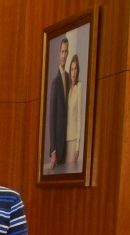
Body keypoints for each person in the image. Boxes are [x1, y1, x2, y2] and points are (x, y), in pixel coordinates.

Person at [47, 38, 70, 170]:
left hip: (68, 141)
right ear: (59, 54)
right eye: (62, 51)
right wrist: (53, 150)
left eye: (66, 51)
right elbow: (52, 118)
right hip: (58, 146)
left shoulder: (69, 77)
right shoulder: (55, 82)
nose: (64, 55)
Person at [66, 56, 84, 167]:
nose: (73, 72)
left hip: (73, 139)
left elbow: (79, 118)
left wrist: (77, 146)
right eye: (72, 69)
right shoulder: (67, 89)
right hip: (65, 138)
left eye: (75, 69)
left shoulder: (79, 87)